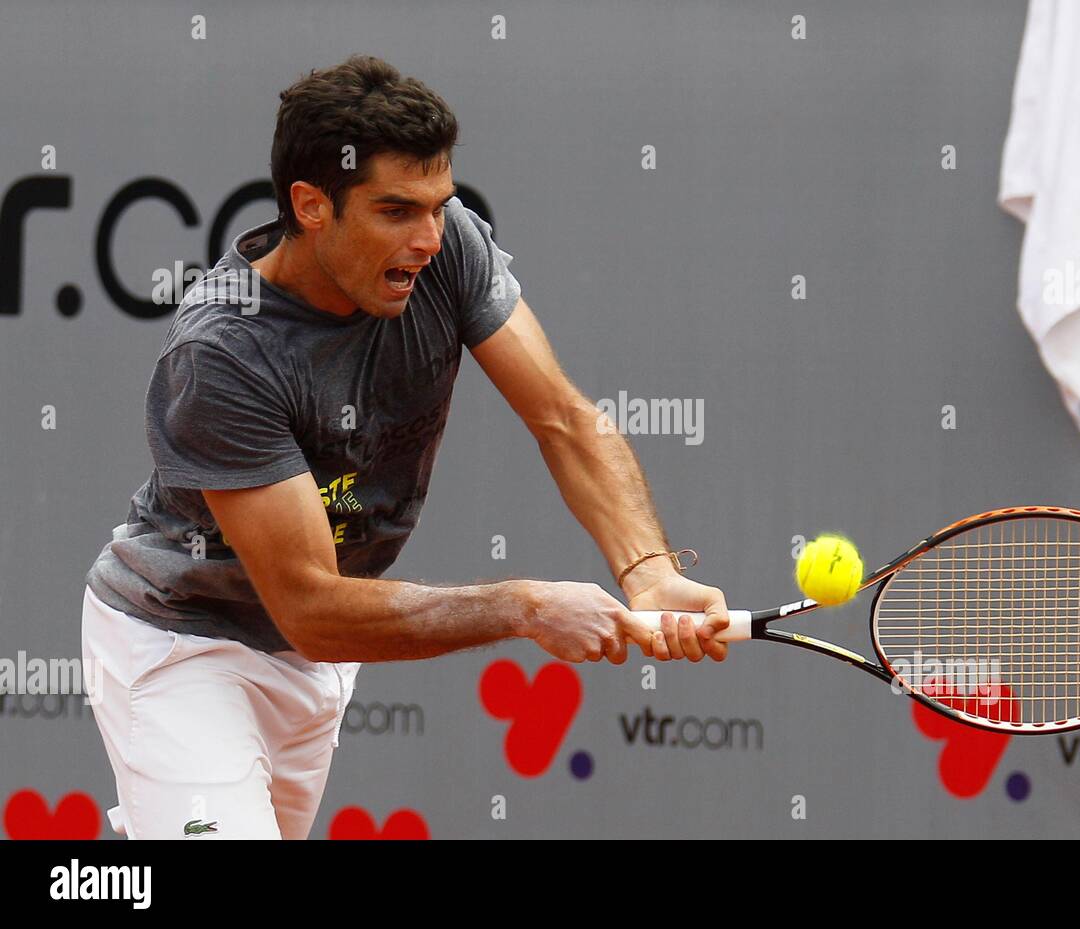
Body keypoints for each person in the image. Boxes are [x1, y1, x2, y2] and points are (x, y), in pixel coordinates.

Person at [81, 54, 729, 840]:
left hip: (318, 658)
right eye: (396, 211)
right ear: (312, 205)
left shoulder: (444, 246)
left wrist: (649, 572)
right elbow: (312, 605)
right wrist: (523, 606)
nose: (429, 237)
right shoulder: (224, 351)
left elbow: (562, 418)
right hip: (186, 642)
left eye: (439, 205)